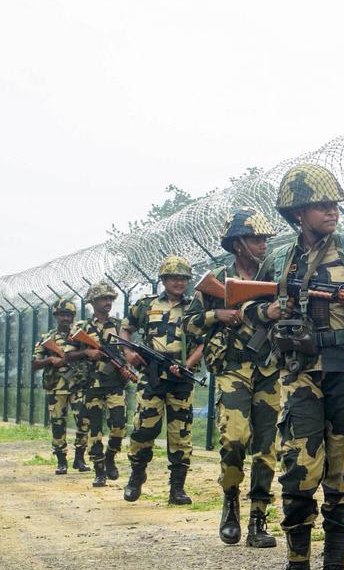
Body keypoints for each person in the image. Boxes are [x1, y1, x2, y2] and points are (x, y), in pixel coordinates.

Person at [246, 163, 344, 570]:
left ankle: (336, 561)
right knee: (298, 467)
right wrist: (271, 309)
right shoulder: (281, 257)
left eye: (334, 205)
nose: (332, 212)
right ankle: (297, 560)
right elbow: (245, 307)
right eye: (321, 206)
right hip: (300, 372)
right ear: (298, 213)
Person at [187, 207, 280, 547]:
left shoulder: (275, 275)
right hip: (232, 368)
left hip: (269, 368)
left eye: (265, 239)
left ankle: (258, 518)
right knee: (235, 439)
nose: (263, 245)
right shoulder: (218, 280)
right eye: (256, 239)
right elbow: (190, 324)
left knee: (267, 447)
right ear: (238, 243)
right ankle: (230, 503)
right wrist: (218, 314)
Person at [122, 255, 204, 505]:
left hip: (180, 378)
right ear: (164, 280)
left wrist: (186, 365)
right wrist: (129, 354)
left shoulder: (195, 308)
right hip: (152, 376)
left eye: (183, 278)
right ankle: (136, 475)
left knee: (180, 433)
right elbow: (126, 328)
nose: (179, 283)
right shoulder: (145, 305)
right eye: (174, 278)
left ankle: (177, 488)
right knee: (144, 428)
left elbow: (203, 342)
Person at [67, 282, 130, 487]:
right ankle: (99, 469)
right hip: (92, 385)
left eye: (110, 299)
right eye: (103, 299)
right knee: (95, 430)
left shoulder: (119, 325)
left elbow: (126, 351)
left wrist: (126, 367)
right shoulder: (81, 328)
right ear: (92, 302)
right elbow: (67, 355)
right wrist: (87, 352)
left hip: (115, 384)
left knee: (119, 425)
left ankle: (111, 455)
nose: (107, 302)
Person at [32, 298, 81, 475]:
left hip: (78, 386)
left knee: (83, 422)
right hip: (56, 387)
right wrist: (50, 360)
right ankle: (61, 461)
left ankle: (80, 458)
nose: (65, 319)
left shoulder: (79, 336)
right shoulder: (48, 339)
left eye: (68, 315)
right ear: (56, 316)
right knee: (58, 424)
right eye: (62, 315)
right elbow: (34, 364)